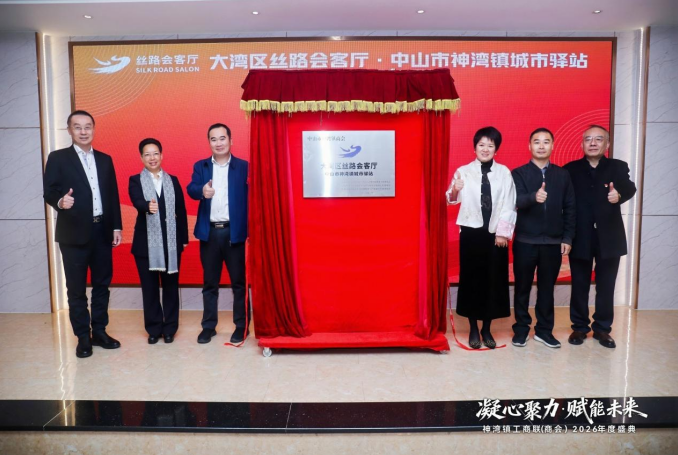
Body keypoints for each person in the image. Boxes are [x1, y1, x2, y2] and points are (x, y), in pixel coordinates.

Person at [43, 110, 123, 358]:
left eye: (88, 126)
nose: (83, 131)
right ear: (69, 130)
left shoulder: (105, 159)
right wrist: (60, 202)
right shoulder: (58, 158)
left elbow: (112, 195)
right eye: (77, 127)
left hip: (102, 231)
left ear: (94, 129)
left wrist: (116, 226)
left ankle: (99, 332)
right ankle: (82, 337)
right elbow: (49, 191)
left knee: (102, 286)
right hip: (73, 234)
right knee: (76, 289)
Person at [564, 125, 636, 349]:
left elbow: (630, 188)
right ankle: (579, 327)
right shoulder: (570, 169)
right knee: (579, 284)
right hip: (580, 236)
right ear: (582, 144)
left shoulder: (618, 167)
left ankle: (602, 329)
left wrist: (619, 195)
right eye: (588, 139)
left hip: (609, 237)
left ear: (607, 144)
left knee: (606, 286)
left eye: (598, 139)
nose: (593, 143)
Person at [446, 126, 516, 349]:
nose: (485, 149)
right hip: (471, 233)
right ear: (475, 147)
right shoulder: (464, 171)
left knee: (493, 280)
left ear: (496, 149)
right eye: (481, 145)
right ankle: (473, 328)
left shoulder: (504, 172)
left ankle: (487, 328)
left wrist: (503, 233)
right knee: (472, 280)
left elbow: (509, 203)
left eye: (490, 145)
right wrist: (455, 189)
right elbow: (450, 199)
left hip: (496, 234)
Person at [511, 128, 576, 349]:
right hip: (525, 241)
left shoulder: (562, 175)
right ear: (529, 146)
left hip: (553, 243)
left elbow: (570, 207)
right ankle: (521, 330)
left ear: (552, 146)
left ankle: (544, 331)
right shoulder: (518, 173)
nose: (541, 146)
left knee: (547, 289)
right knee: (522, 288)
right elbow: (515, 200)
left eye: (546, 142)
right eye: (536, 142)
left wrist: (567, 237)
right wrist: (533, 197)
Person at [187, 123, 249, 344]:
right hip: (210, 233)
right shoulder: (201, 166)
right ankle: (208, 326)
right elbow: (191, 188)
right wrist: (201, 191)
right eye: (214, 139)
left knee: (239, 283)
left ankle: (241, 325)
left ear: (231, 140)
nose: (219, 143)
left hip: (234, 232)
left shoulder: (243, 167)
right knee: (210, 283)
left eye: (222, 138)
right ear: (209, 143)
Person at [129, 138, 189, 344]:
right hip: (145, 245)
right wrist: (147, 206)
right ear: (141, 158)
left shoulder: (173, 181)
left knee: (171, 287)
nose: (152, 158)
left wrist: (183, 239)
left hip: (171, 244)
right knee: (150, 288)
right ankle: (154, 329)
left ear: (162, 155)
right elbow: (136, 200)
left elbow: (181, 210)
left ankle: (170, 328)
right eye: (147, 154)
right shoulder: (135, 180)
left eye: (155, 153)